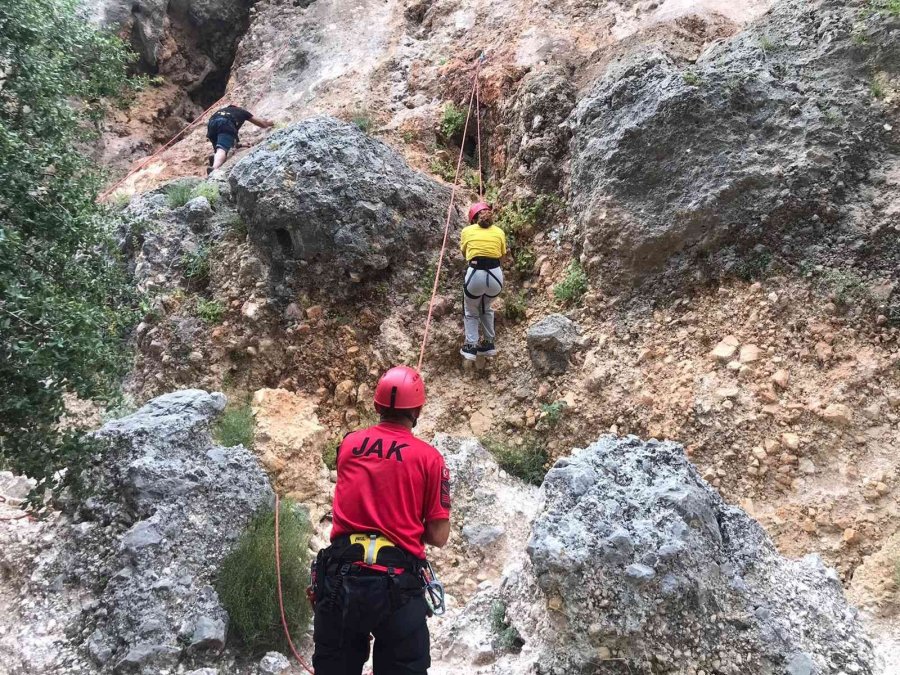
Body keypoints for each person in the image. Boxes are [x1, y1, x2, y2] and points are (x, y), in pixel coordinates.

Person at [312, 365, 451, 675]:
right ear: (417, 409)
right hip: (398, 585)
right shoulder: (430, 459)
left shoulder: (349, 444)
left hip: (341, 578)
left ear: (376, 405)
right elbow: (439, 535)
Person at [459, 202, 506, 361]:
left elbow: (465, 253)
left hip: (475, 274)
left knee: (471, 310)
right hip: (496, 276)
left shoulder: (467, 231)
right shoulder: (499, 232)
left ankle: (471, 346)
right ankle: (488, 343)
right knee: (486, 307)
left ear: (472, 220)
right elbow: (502, 255)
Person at [205, 104, 273, 174]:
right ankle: (214, 168)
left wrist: (241, 145)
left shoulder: (221, 111)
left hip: (211, 124)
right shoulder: (241, 111)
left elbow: (232, 141)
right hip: (226, 123)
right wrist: (273, 123)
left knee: (220, 147)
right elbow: (262, 123)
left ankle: (215, 157)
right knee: (222, 149)